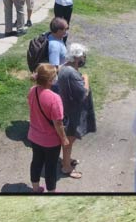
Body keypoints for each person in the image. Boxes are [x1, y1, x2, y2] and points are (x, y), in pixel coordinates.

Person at [57, 43, 96, 179]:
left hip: (66, 108)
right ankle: (66, 167)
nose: (84, 58)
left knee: (68, 139)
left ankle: (66, 160)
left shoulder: (64, 67)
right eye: (83, 56)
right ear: (77, 57)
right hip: (72, 111)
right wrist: (86, 79)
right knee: (69, 139)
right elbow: (83, 93)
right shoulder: (72, 73)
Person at [27, 63, 67, 193]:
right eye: (55, 76)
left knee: (36, 162)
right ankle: (52, 193)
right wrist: (64, 138)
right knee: (50, 167)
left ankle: (35, 188)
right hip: (50, 141)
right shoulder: (55, 98)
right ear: (50, 80)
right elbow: (58, 123)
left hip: (34, 136)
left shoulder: (32, 91)